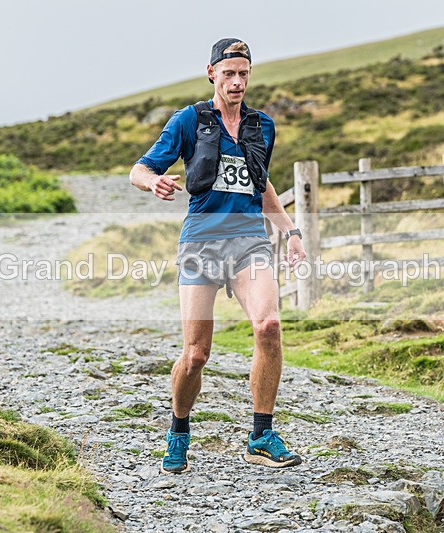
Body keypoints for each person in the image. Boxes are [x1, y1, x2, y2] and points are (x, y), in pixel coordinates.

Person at [130, 38, 307, 473]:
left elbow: (260, 183)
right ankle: (178, 430)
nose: (237, 81)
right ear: (211, 73)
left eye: (244, 73)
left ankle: (261, 434)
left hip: (249, 239)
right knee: (196, 354)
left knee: (268, 326)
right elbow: (139, 168)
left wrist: (292, 231)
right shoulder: (189, 120)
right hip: (202, 241)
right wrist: (153, 183)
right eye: (229, 73)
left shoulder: (262, 125)